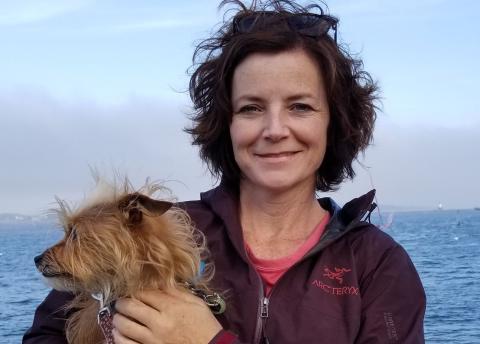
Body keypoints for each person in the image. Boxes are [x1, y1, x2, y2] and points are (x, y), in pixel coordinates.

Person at [23, 0, 426, 343]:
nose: (274, 130)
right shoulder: (153, 232)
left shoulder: (378, 267)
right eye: (251, 108)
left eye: (300, 106)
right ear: (226, 124)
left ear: (333, 122)